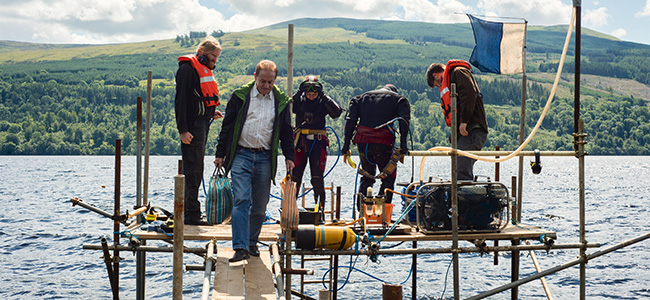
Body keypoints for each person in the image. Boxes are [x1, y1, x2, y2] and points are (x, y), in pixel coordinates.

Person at [214, 60, 295, 262]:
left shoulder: (281, 101)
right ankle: (240, 247)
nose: (266, 86)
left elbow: (286, 131)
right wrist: (220, 153)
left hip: (265, 156)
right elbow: (227, 126)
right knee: (241, 199)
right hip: (241, 153)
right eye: (262, 81)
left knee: (260, 204)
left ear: (275, 80)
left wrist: (290, 157)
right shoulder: (240, 96)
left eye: (270, 82)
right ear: (254, 77)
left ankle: (251, 242)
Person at [175, 36, 223, 226]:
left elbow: (199, 98)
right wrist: (183, 130)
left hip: (202, 123)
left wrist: (211, 111)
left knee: (197, 167)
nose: (215, 61)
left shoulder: (200, 69)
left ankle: (193, 211)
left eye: (217, 57)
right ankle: (192, 214)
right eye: (213, 56)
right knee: (193, 169)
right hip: (192, 128)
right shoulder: (187, 69)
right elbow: (181, 101)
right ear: (202, 53)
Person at [342, 84, 410, 210]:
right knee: (388, 178)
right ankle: (382, 213)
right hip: (383, 144)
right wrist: (403, 146)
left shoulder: (361, 98)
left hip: (364, 144)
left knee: (367, 176)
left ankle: (362, 212)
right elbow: (404, 122)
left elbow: (350, 120)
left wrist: (346, 145)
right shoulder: (399, 99)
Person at [426, 60, 488, 180]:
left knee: (462, 165)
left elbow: (469, 94)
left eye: (437, 84)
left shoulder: (458, 72)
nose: (440, 87)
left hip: (472, 129)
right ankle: (459, 195)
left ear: (436, 76)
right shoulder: (452, 78)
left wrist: (464, 122)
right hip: (465, 132)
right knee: (458, 165)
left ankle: (465, 196)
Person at [292, 76, 342, 209]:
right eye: (308, 93)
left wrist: (324, 96)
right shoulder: (299, 102)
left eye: (314, 93)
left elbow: (337, 113)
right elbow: (287, 106)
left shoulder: (322, 102)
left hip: (318, 143)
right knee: (295, 178)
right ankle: (290, 209)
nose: (311, 96)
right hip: (300, 142)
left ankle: (319, 210)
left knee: (317, 178)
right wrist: (298, 93)